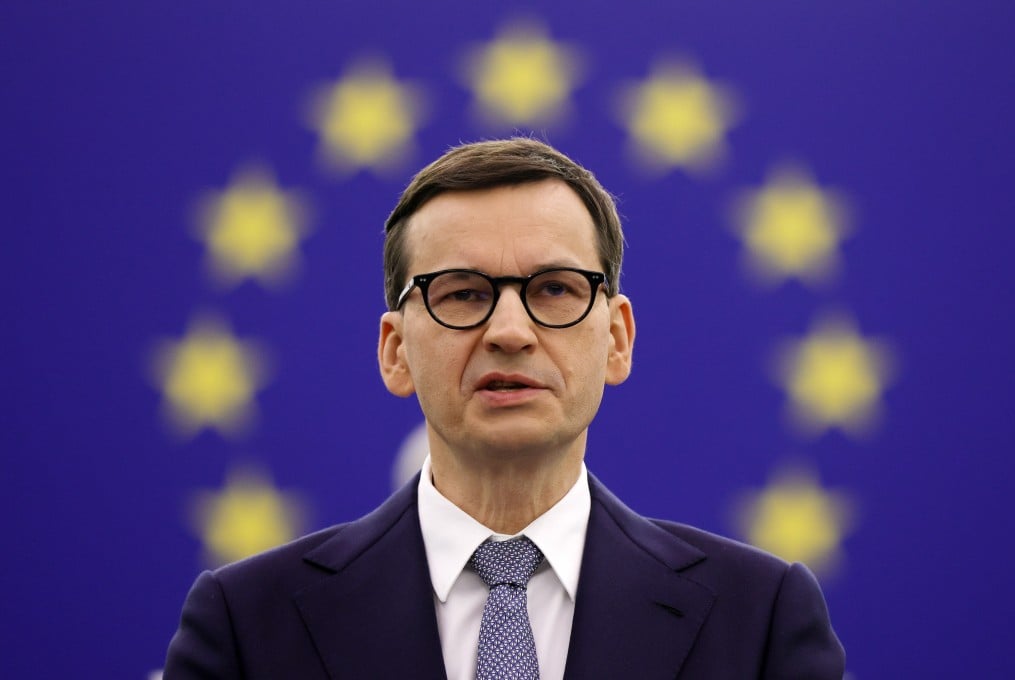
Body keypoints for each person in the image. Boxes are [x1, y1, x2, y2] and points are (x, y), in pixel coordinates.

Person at [165, 138, 845, 678]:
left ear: (617, 339)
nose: (510, 331)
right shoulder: (247, 627)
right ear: (395, 351)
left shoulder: (758, 622)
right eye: (462, 293)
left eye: (554, 289)